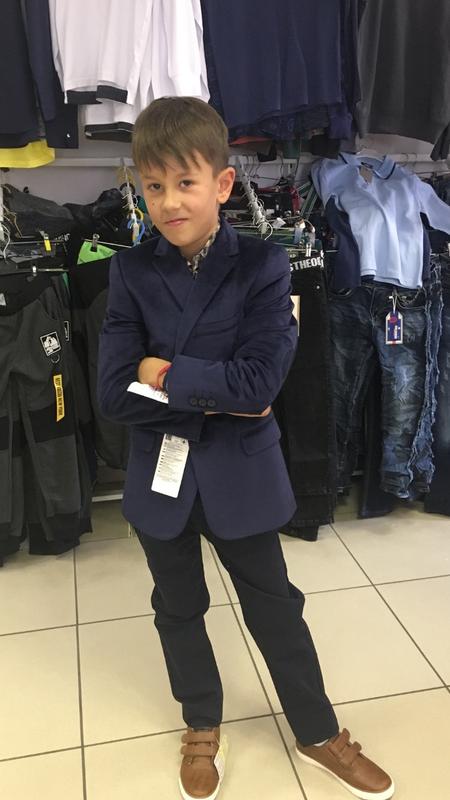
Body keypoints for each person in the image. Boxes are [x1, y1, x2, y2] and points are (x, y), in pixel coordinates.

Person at [97, 97, 394, 800]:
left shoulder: (263, 264)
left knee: (275, 607)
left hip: (240, 473)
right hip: (161, 473)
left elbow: (261, 385)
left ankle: (317, 730)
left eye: (185, 182)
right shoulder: (131, 271)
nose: (170, 202)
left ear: (223, 183)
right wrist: (212, 387)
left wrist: (160, 371)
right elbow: (110, 394)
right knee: (177, 607)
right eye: (154, 186)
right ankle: (201, 720)